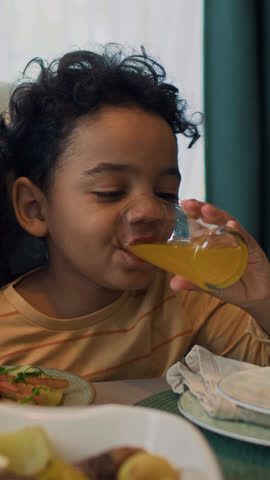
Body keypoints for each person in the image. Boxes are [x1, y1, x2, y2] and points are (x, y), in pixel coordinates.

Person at [0, 45, 269, 381]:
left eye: (165, 193)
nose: (148, 211)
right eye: (111, 191)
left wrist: (262, 299)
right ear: (35, 208)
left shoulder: (185, 302)